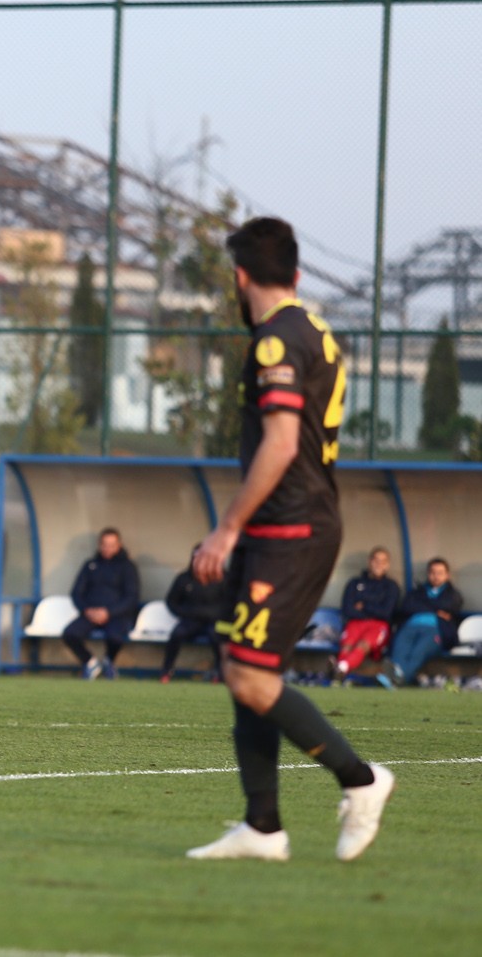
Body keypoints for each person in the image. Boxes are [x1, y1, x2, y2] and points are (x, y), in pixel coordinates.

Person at [189, 216, 392, 863]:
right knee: (243, 668)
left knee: (250, 677)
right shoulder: (317, 333)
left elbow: (280, 443)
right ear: (296, 274)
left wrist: (227, 526)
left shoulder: (275, 342)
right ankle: (263, 826)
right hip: (285, 524)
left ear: (240, 277)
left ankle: (361, 779)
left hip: (292, 526)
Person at [61, 528, 140, 679]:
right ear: (99, 545)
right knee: (70, 633)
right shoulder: (90, 564)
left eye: (111, 544)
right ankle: (90, 663)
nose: (107, 548)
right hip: (90, 613)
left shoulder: (127, 567)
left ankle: (109, 662)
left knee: (115, 637)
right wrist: (87, 610)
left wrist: (108, 612)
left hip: (116, 614)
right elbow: (76, 593)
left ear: (119, 545)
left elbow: (131, 597)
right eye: (104, 544)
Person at [379, 557, 464, 689]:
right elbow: (408, 606)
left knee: (418, 652)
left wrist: (422, 606)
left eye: (440, 573)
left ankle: (398, 679)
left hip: (435, 630)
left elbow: (451, 606)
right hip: (410, 626)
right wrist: (437, 610)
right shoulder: (416, 592)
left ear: (447, 575)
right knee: (400, 649)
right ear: (428, 574)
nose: (436, 576)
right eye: (432, 572)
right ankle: (395, 677)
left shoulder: (453, 594)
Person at [160, 550, 231, 683]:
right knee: (176, 634)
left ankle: (219, 672)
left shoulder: (223, 577)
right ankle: (166, 671)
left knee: (219, 637)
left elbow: (230, 603)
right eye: (197, 559)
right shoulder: (184, 578)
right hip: (190, 620)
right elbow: (171, 602)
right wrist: (187, 612)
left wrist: (215, 613)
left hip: (215, 621)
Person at [334, 547, 401, 681]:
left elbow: (386, 613)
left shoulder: (391, 586)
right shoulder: (354, 583)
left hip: (378, 625)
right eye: (376, 560)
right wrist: (373, 610)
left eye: (383, 561)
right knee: (347, 645)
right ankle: (342, 672)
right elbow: (348, 610)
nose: (379, 564)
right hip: (356, 623)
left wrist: (364, 606)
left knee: (362, 645)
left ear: (387, 565)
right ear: (369, 562)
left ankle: (340, 669)